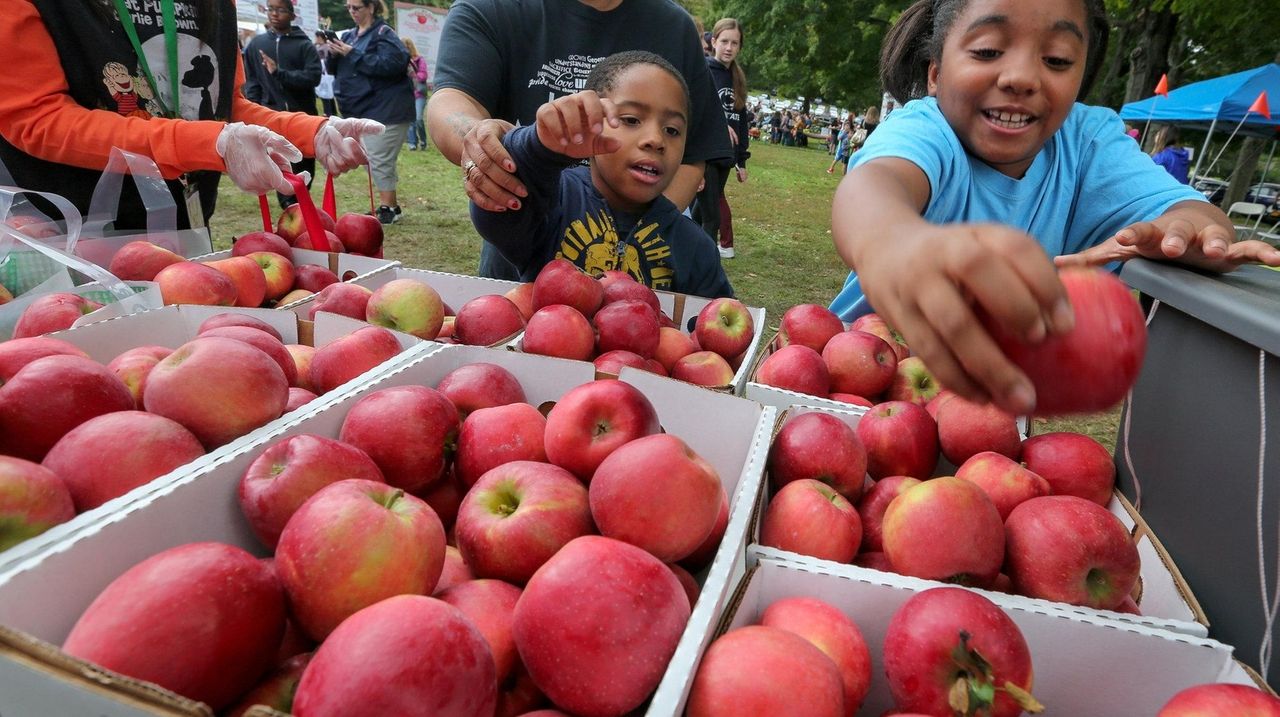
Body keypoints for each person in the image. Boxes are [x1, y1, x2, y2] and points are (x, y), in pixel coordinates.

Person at [827, 0, 1280, 417]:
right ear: (935, 75)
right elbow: (873, 187)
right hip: (845, 399)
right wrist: (889, 241)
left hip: (983, 434)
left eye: (1058, 59)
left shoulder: (1086, 143)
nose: (1022, 77)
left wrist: (1189, 228)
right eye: (987, 51)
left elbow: (1192, 211)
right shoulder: (926, 128)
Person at [0, 0, 381, 232]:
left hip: (185, 224)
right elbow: (35, 118)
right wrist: (210, 144)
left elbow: (224, 106)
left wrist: (310, 131)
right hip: (68, 232)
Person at [426, 0, 733, 280]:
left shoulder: (675, 26)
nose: (653, 139)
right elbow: (451, 100)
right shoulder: (491, 7)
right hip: (519, 268)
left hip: (642, 295)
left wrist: (640, 236)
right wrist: (483, 142)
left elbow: (696, 151)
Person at [470, 51, 733, 299]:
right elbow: (497, 213)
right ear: (590, 120)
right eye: (631, 120)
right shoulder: (554, 201)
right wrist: (540, 146)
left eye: (672, 130)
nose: (655, 140)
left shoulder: (696, 249)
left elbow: (717, 327)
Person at [326, 0, 415, 225]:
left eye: (356, 7)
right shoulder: (349, 36)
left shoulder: (384, 34)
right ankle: (390, 205)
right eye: (348, 7)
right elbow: (333, 70)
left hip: (387, 109)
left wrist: (352, 53)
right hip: (364, 109)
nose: (351, 12)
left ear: (371, 7)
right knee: (374, 159)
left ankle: (387, 209)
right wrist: (334, 54)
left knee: (378, 158)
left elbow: (393, 65)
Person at [241, 0, 322, 209]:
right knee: (280, 164)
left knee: (303, 166)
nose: (275, 14)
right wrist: (255, 109)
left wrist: (279, 73)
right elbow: (252, 81)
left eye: (281, 10)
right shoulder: (257, 45)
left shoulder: (304, 45)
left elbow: (313, 78)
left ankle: (299, 202)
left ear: (292, 15)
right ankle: (289, 206)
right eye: (271, 9)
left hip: (302, 117)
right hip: (271, 117)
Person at [693, 18, 750, 260]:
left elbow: (741, 121)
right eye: (724, 41)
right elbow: (694, 108)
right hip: (706, 152)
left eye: (734, 43)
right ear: (713, 41)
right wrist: (719, 124)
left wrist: (742, 160)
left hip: (725, 156)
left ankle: (682, 249)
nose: (729, 48)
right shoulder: (704, 71)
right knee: (712, 217)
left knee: (698, 213)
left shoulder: (736, 78)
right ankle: (705, 266)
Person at [404, 38, 430, 151]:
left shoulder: (419, 60)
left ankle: (423, 141)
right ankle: (412, 143)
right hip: (407, 94)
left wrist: (413, 73)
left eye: (405, 47)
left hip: (419, 93)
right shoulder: (400, 61)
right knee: (411, 120)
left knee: (419, 118)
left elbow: (423, 75)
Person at [314, 31, 339, 118]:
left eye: (316, 37)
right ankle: (332, 111)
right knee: (328, 92)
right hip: (324, 72)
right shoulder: (319, 46)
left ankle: (328, 112)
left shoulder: (325, 47)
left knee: (326, 92)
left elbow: (327, 59)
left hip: (325, 73)